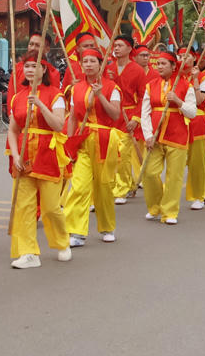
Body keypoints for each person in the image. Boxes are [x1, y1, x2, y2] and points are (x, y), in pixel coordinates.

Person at [7, 55, 71, 267]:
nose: (30, 70)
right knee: (24, 207)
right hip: (24, 155)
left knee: (51, 208)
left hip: (47, 154)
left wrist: (41, 105)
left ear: (44, 70)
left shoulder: (56, 95)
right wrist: (15, 154)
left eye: (35, 66)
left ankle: (62, 242)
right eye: (26, 66)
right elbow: (13, 130)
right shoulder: (18, 97)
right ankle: (28, 253)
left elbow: (58, 125)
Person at [63, 48, 123, 245]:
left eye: (92, 61)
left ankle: (107, 227)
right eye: (85, 61)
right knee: (79, 186)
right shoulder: (76, 88)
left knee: (104, 187)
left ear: (100, 64)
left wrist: (100, 96)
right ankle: (76, 232)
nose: (88, 65)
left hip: (105, 140)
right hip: (83, 139)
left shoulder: (111, 87)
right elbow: (73, 117)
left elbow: (115, 115)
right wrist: (70, 142)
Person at [140, 51, 197, 224]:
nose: (160, 67)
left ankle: (170, 212)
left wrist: (178, 101)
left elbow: (192, 112)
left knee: (174, 177)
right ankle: (155, 206)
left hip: (177, 135)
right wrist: (148, 135)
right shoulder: (151, 85)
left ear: (173, 66)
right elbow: (145, 113)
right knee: (149, 173)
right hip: (155, 136)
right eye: (158, 64)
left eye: (164, 64)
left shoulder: (185, 85)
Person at [106, 35, 146, 203]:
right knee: (112, 154)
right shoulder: (109, 68)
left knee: (123, 153)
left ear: (129, 48)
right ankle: (127, 184)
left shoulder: (137, 70)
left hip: (128, 115)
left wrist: (136, 118)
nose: (116, 48)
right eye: (115, 45)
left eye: (120, 45)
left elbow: (143, 97)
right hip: (112, 115)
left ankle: (121, 188)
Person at [183, 48, 205, 209]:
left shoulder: (204, 78)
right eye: (180, 56)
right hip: (176, 122)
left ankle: (198, 196)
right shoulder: (173, 77)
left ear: (194, 58)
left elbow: (199, 100)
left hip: (197, 121)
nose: (182, 58)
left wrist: (195, 79)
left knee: (197, 162)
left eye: (186, 56)